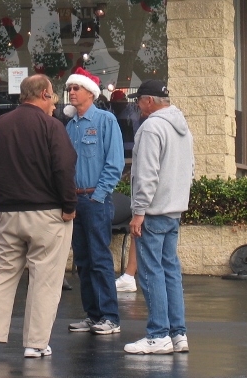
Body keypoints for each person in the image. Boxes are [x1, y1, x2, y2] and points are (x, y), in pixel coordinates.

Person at [0, 74, 77, 360]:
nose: (53, 103)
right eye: (52, 96)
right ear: (43, 95)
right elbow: (63, 167)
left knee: (1, 274)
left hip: (7, 213)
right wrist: (69, 204)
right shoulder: (52, 127)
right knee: (45, 278)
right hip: (48, 214)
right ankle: (36, 343)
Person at [124, 79, 194, 355]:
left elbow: (146, 174)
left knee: (152, 272)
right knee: (170, 271)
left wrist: (138, 212)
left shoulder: (152, 127)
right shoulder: (183, 127)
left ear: (149, 101)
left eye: (139, 100)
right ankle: (178, 334)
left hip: (153, 211)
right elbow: (190, 169)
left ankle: (158, 334)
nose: (138, 105)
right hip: (174, 209)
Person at [64, 67, 125, 336]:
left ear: (91, 92)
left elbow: (115, 163)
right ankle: (92, 314)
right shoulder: (69, 125)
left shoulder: (105, 121)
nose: (72, 92)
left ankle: (110, 316)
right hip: (75, 200)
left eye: (76, 88)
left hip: (95, 200)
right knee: (83, 260)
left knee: (100, 258)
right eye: (70, 88)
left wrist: (99, 195)